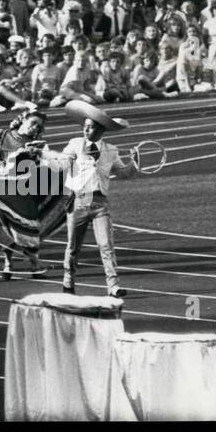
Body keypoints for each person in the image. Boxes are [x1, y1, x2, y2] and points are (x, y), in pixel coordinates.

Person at [43, 100, 140, 298]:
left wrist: (135, 161)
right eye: (85, 127)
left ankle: (113, 286)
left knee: (106, 245)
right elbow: (61, 163)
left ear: (100, 130)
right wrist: (48, 156)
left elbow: (123, 173)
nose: (86, 131)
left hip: (100, 204)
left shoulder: (111, 150)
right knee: (73, 247)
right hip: (78, 201)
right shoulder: (75, 144)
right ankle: (68, 281)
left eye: (91, 127)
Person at [0, 107, 50, 279]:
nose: (35, 128)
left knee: (28, 225)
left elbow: (41, 167)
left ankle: (34, 265)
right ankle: (9, 263)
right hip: (0, 185)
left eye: (39, 126)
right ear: (23, 120)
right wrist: (19, 154)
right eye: (33, 123)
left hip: (24, 188)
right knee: (5, 225)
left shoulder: (38, 144)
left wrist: (37, 156)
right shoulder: (1, 135)